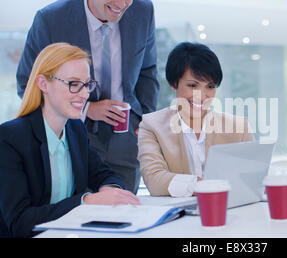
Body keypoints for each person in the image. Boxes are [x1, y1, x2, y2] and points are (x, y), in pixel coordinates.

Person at [16, 0, 159, 194]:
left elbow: (147, 70)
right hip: (70, 138)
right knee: (75, 215)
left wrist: (143, 120)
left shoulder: (143, 10)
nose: (122, 3)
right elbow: (28, 83)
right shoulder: (50, 19)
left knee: (124, 214)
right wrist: (86, 109)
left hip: (125, 139)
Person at [0, 43, 140, 238]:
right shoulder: (9, 138)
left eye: (87, 84)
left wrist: (109, 190)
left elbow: (104, 174)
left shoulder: (75, 130)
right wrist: (87, 201)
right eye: (74, 84)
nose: (84, 94)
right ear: (43, 84)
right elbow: (19, 222)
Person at [138, 42, 254, 197]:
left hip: (228, 213)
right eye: (193, 85)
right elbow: (155, 181)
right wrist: (205, 186)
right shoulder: (152, 126)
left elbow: (251, 180)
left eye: (210, 86)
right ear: (174, 83)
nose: (202, 95)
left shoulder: (239, 128)